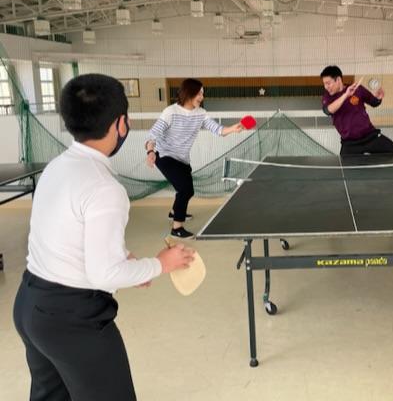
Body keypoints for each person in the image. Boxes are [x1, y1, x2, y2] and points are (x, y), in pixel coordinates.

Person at [13, 73, 194, 401]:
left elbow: (67, 236)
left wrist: (125, 261)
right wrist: (161, 264)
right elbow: (104, 274)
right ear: (120, 124)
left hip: (30, 305)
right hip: (71, 321)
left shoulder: (57, 166)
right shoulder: (104, 188)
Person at [145, 78, 244, 238]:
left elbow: (218, 130)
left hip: (182, 158)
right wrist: (150, 152)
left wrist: (232, 128)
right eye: (199, 93)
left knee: (188, 191)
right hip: (164, 155)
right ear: (189, 93)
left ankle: (174, 212)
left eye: (202, 93)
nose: (201, 97)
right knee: (185, 189)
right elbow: (153, 135)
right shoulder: (171, 112)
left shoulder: (201, 114)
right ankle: (177, 228)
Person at [320, 65, 393, 155]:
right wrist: (346, 95)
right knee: (344, 164)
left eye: (328, 83)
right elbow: (328, 111)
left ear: (338, 80)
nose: (326, 87)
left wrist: (378, 98)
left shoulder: (357, 89)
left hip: (370, 137)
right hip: (350, 144)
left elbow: (374, 102)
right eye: (324, 84)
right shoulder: (327, 97)